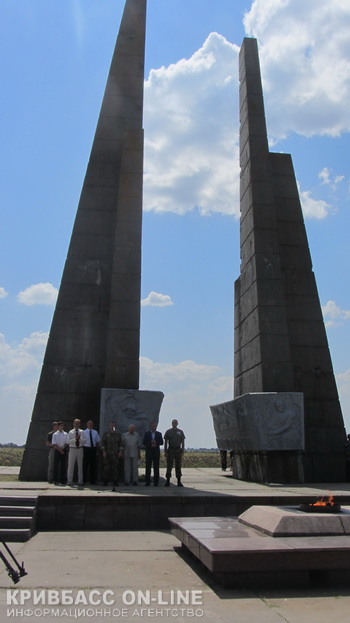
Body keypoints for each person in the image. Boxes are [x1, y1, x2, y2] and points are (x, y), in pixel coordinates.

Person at [164, 419, 185, 487]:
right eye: (173, 422)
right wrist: (165, 451)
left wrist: (182, 451)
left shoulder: (180, 432)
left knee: (178, 466)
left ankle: (179, 481)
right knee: (169, 466)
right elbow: (165, 442)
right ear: (171, 423)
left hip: (178, 450)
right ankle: (167, 481)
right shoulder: (168, 432)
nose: (174, 423)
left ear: (177, 423)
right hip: (170, 450)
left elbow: (183, 442)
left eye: (175, 422)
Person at [101, 421, 123, 486]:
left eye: (114, 425)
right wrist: (104, 451)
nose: (112, 427)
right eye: (111, 425)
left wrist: (120, 452)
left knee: (115, 468)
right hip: (107, 453)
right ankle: (105, 481)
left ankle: (115, 481)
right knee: (106, 468)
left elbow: (121, 444)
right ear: (109, 426)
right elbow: (103, 443)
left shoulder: (118, 434)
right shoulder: (106, 434)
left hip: (115, 454)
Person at [66, 419, 86, 488]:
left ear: (80, 424)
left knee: (80, 466)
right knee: (71, 465)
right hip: (72, 449)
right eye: (75, 423)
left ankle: (80, 481)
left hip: (80, 449)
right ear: (73, 424)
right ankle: (69, 481)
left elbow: (84, 441)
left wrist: (79, 439)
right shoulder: (70, 432)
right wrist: (75, 439)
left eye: (78, 423)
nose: (76, 425)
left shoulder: (82, 432)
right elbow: (68, 442)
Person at [83, 420, 101, 485]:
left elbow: (97, 442)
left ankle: (92, 480)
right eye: (89, 424)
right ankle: (84, 480)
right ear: (87, 424)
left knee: (93, 465)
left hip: (93, 449)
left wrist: (97, 450)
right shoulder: (84, 432)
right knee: (85, 465)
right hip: (86, 449)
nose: (90, 425)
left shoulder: (95, 432)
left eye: (91, 424)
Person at [52, 421, 68, 485]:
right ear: (58, 426)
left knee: (63, 466)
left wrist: (63, 448)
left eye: (62, 425)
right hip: (57, 451)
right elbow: (54, 443)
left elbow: (67, 442)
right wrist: (60, 450)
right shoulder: (55, 434)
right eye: (60, 425)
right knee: (56, 465)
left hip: (63, 450)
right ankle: (55, 480)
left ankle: (62, 480)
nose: (62, 427)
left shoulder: (66, 434)